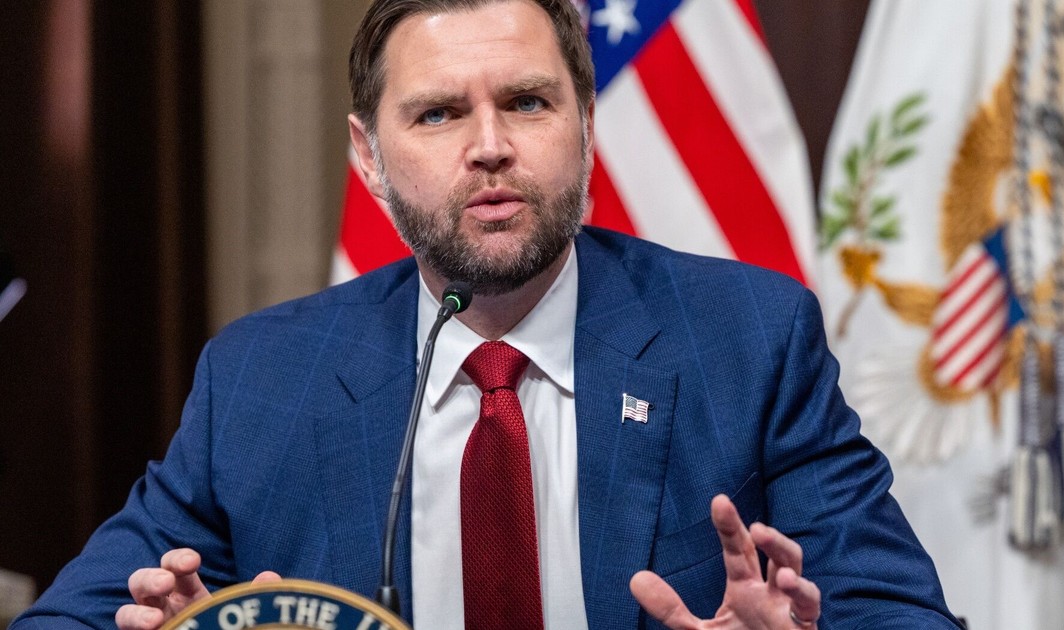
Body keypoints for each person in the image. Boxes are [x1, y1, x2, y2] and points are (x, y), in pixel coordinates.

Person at [14, 0, 963, 628]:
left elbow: (905, 613)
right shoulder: (262, 379)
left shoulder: (749, 340)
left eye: (528, 102)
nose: (491, 146)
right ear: (368, 157)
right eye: (437, 114)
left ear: (586, 125)